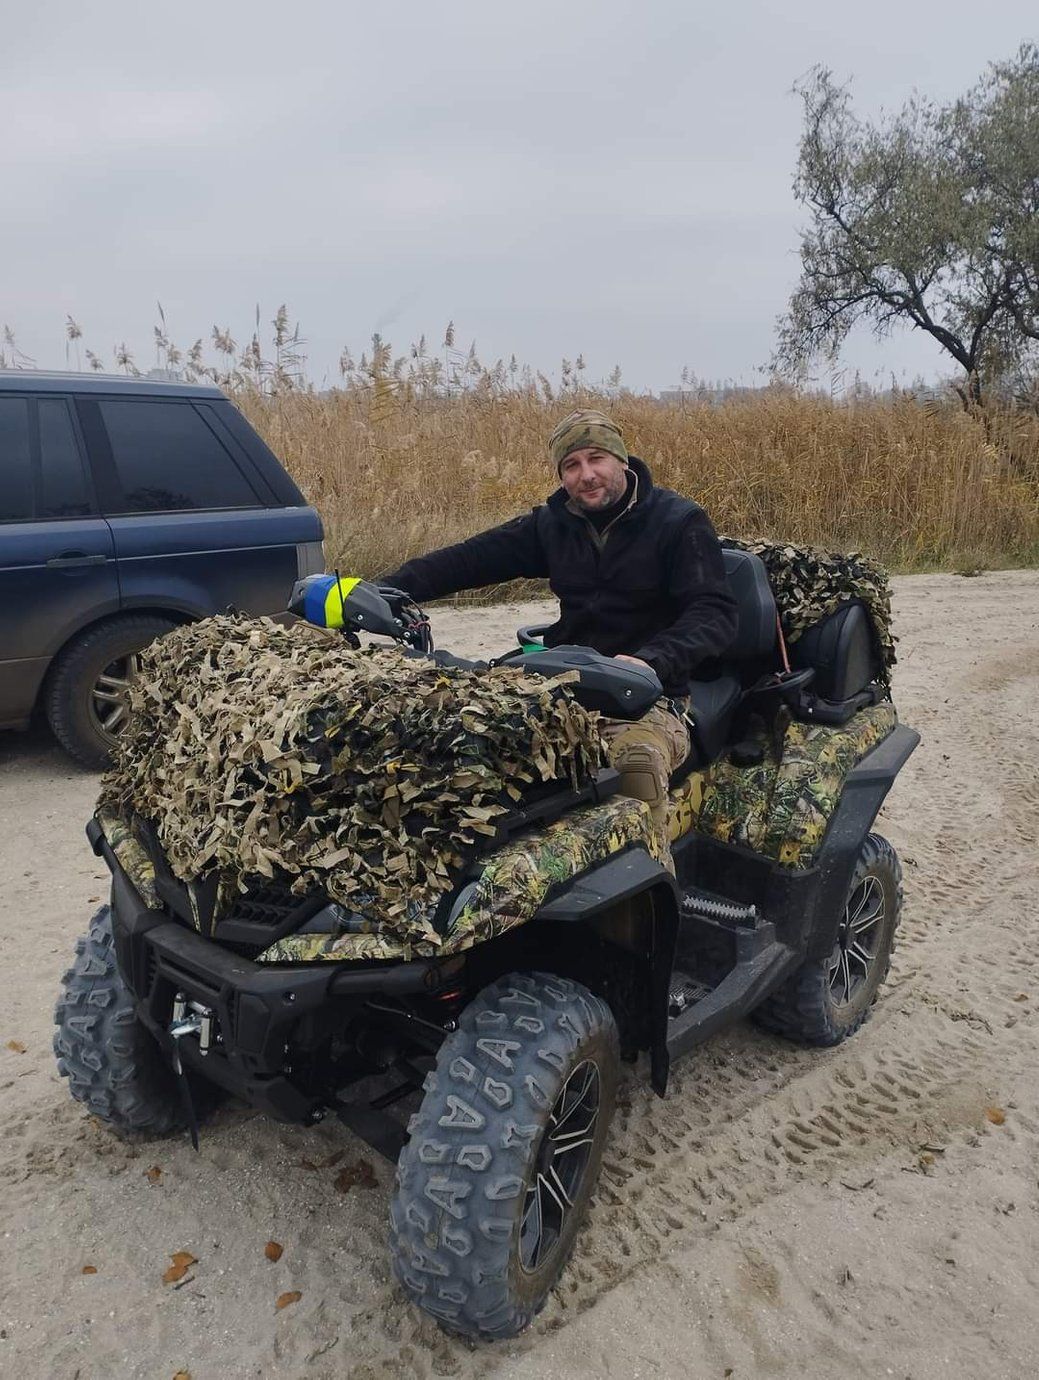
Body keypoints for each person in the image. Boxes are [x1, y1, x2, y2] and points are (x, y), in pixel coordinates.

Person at [380, 408, 738, 863]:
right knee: (468, 745)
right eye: (572, 465)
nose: (586, 475)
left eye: (596, 459)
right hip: (569, 684)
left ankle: (651, 883)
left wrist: (652, 661)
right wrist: (384, 591)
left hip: (653, 696)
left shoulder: (677, 522)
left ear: (622, 461)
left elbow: (714, 612)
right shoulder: (554, 524)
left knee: (635, 763)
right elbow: (467, 560)